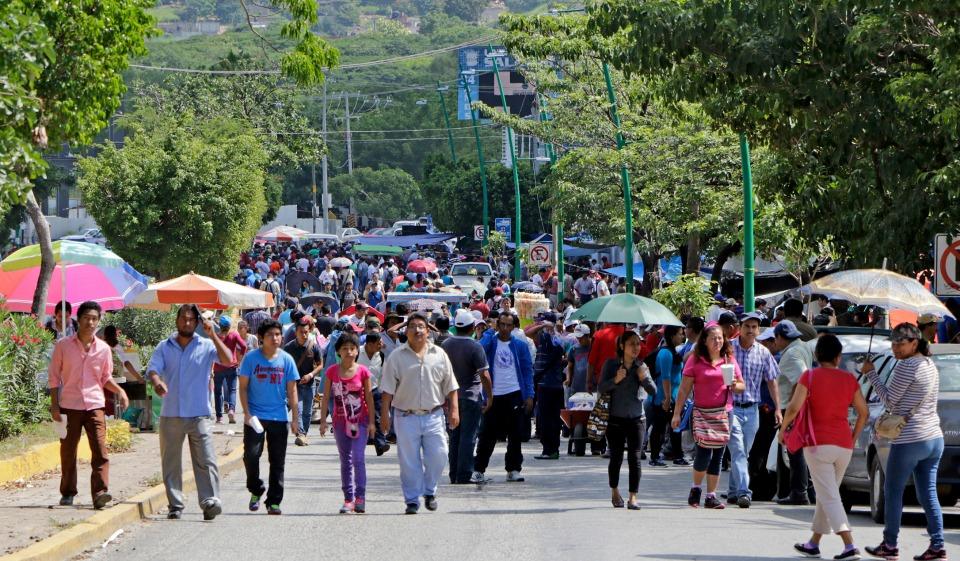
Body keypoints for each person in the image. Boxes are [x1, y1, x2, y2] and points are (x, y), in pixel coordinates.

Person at [862, 323, 947, 561]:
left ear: (915, 343)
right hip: (933, 437)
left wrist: (871, 374)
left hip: (910, 438)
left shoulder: (906, 366)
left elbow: (890, 402)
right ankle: (938, 546)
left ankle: (890, 545)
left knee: (892, 491)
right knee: (928, 493)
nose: (896, 348)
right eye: (893, 343)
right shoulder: (930, 365)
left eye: (901, 343)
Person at [780, 334, 868, 561]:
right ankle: (813, 543)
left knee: (828, 495)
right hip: (844, 446)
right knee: (826, 493)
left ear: (817, 355)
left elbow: (793, 408)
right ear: (838, 358)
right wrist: (854, 435)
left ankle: (849, 545)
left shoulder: (809, 376)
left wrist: (783, 430)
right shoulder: (849, 379)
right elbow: (864, 412)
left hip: (817, 444)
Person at [146, 304, 233, 521]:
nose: (186, 323)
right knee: (171, 463)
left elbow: (228, 359)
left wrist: (213, 334)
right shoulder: (164, 347)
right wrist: (157, 383)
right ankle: (175, 504)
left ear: (197, 323)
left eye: (191, 320)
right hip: (171, 413)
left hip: (199, 413)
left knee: (206, 459)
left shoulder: (206, 345)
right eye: (183, 319)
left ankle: (210, 501)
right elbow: (153, 370)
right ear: (177, 321)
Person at [49, 301, 129, 509]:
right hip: (69, 405)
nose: (90, 322)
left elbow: (105, 378)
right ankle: (67, 492)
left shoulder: (103, 349)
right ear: (79, 319)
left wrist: (120, 391)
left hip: (95, 405)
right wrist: (55, 406)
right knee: (68, 451)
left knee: (100, 450)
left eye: (94, 319)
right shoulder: (63, 346)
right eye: (86, 318)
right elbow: (54, 378)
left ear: (99, 321)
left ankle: (100, 492)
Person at [380, 313, 460, 514]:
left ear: (428, 330)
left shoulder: (439, 354)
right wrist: (384, 416)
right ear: (406, 331)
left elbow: (451, 386)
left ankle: (430, 490)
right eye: (413, 327)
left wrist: (454, 410)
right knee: (409, 461)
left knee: (439, 454)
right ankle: (412, 500)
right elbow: (387, 390)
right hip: (405, 416)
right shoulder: (396, 356)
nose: (417, 330)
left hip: (433, 414)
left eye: (421, 326)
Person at [672, 323, 745, 509]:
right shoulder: (695, 360)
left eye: (720, 338)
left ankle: (711, 496)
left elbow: (741, 386)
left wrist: (734, 384)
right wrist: (677, 414)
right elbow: (684, 389)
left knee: (718, 455)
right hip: (702, 413)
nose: (717, 341)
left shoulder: (729, 359)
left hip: (723, 412)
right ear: (704, 340)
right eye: (713, 338)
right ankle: (696, 489)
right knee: (704, 452)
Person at [238, 319, 300, 516]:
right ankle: (256, 488)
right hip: (255, 417)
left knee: (277, 461)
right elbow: (243, 387)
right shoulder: (250, 359)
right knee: (251, 456)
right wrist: (247, 414)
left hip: (279, 417)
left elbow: (292, 390)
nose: (275, 338)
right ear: (261, 338)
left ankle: (274, 502)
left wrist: (295, 419)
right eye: (270, 335)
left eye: (277, 334)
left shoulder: (286, 360)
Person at [726, 311, 783, 508]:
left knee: (744, 452)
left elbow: (772, 381)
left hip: (752, 410)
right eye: (747, 326)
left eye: (754, 327)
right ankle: (744, 491)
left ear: (758, 330)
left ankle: (733, 490)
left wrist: (777, 408)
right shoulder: (728, 350)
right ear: (739, 328)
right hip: (731, 408)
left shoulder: (764, 352)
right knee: (739, 450)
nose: (750, 330)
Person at [599, 330, 658, 509]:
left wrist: (644, 378)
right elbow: (601, 387)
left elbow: (653, 391)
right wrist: (615, 380)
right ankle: (615, 491)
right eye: (631, 343)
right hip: (615, 418)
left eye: (638, 344)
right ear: (622, 346)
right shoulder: (611, 365)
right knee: (615, 457)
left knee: (635, 458)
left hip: (636, 419)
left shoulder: (642, 366)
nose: (636, 347)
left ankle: (633, 497)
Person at [319, 332, 376, 514]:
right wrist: (322, 421)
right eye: (345, 349)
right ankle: (348, 499)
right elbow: (325, 396)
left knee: (358, 458)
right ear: (338, 352)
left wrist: (372, 422)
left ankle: (361, 497)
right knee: (346, 461)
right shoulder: (331, 372)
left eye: (352, 348)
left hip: (360, 421)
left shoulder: (363, 372)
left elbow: (369, 397)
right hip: (339, 422)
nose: (349, 352)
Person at [473, 313, 534, 483]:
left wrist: (529, 395)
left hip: (514, 394)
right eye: (502, 325)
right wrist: (488, 332)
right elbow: (479, 350)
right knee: (487, 435)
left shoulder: (521, 346)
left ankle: (513, 469)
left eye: (509, 325)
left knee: (515, 435)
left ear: (514, 327)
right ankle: (478, 469)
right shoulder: (490, 342)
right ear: (497, 325)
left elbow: (528, 371)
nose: (505, 329)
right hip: (493, 396)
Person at [442, 310, 491, 484]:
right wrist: (490, 397)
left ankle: (454, 473)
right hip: (471, 397)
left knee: (454, 436)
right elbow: (484, 375)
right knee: (468, 437)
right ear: (472, 327)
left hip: (451, 397)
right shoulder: (475, 346)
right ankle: (464, 475)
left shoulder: (446, 345)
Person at [774, 319, 816, 505]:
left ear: (781, 338)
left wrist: (793, 401)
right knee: (796, 450)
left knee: (794, 450)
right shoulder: (802, 347)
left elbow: (803, 377)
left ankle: (799, 493)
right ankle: (801, 491)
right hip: (796, 404)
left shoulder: (791, 354)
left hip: (792, 406)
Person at [528, 313, 567, 460]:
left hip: (545, 384)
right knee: (554, 419)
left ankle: (548, 450)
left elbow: (527, 332)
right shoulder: (559, 339)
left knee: (545, 418)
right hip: (556, 384)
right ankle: (553, 449)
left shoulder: (545, 338)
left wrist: (543, 326)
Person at [648, 325, 687, 467]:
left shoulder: (674, 352)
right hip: (662, 398)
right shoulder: (665, 354)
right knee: (659, 427)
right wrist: (667, 398)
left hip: (674, 398)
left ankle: (678, 456)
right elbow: (665, 377)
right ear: (671, 336)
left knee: (675, 427)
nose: (682, 337)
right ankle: (654, 457)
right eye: (680, 334)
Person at [283, 315, 324, 446]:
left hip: (310, 385)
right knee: (298, 409)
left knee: (307, 412)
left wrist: (311, 375)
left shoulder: (314, 347)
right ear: (296, 332)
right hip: (295, 386)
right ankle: (300, 434)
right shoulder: (289, 348)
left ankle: (303, 435)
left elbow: (320, 365)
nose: (304, 334)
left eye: (306, 332)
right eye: (301, 332)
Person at [357, 330, 390, 456]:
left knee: (377, 417)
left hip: (375, 390)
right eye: (379, 343)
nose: (381, 345)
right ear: (370, 344)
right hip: (357, 390)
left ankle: (380, 444)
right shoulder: (357, 352)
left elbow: (383, 374)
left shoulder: (380, 356)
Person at [213, 316, 248, 424]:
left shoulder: (216, 337)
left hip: (218, 367)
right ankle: (231, 410)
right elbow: (243, 346)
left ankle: (219, 417)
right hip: (231, 366)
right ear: (229, 326)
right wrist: (239, 360)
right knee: (232, 390)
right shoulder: (234, 335)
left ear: (220, 326)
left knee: (218, 392)